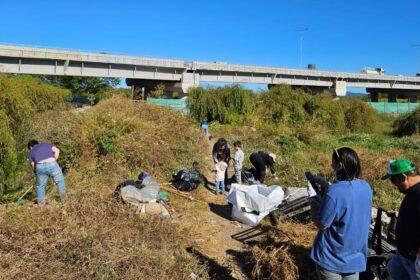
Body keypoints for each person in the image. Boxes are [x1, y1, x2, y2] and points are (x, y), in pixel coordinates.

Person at [310, 147, 372, 280]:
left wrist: (313, 200)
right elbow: (348, 202)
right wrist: (327, 187)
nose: (331, 166)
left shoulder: (334, 191)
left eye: (333, 163)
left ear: (339, 166)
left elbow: (322, 224)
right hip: (355, 259)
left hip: (332, 258)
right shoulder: (366, 187)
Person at [382, 159, 420, 280]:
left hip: (414, 260)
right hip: (402, 255)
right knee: (392, 270)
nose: (395, 185)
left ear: (403, 177)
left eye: (394, 180)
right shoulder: (412, 192)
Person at [27, 140, 66, 204]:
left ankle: (41, 205)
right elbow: (57, 150)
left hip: (39, 166)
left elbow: (33, 166)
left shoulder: (31, 152)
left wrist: (36, 173)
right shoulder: (45, 144)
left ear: (31, 147)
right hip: (52, 163)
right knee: (60, 181)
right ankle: (64, 201)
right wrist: (53, 160)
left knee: (41, 186)